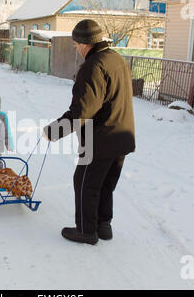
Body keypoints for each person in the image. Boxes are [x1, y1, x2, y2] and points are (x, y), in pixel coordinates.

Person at [43, 19, 136, 245]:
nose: (76, 49)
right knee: (104, 183)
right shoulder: (116, 59)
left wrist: (53, 131)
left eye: (76, 45)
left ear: (85, 44)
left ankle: (86, 231)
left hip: (100, 139)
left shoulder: (93, 66)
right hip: (121, 135)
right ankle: (103, 226)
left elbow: (82, 111)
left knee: (84, 182)